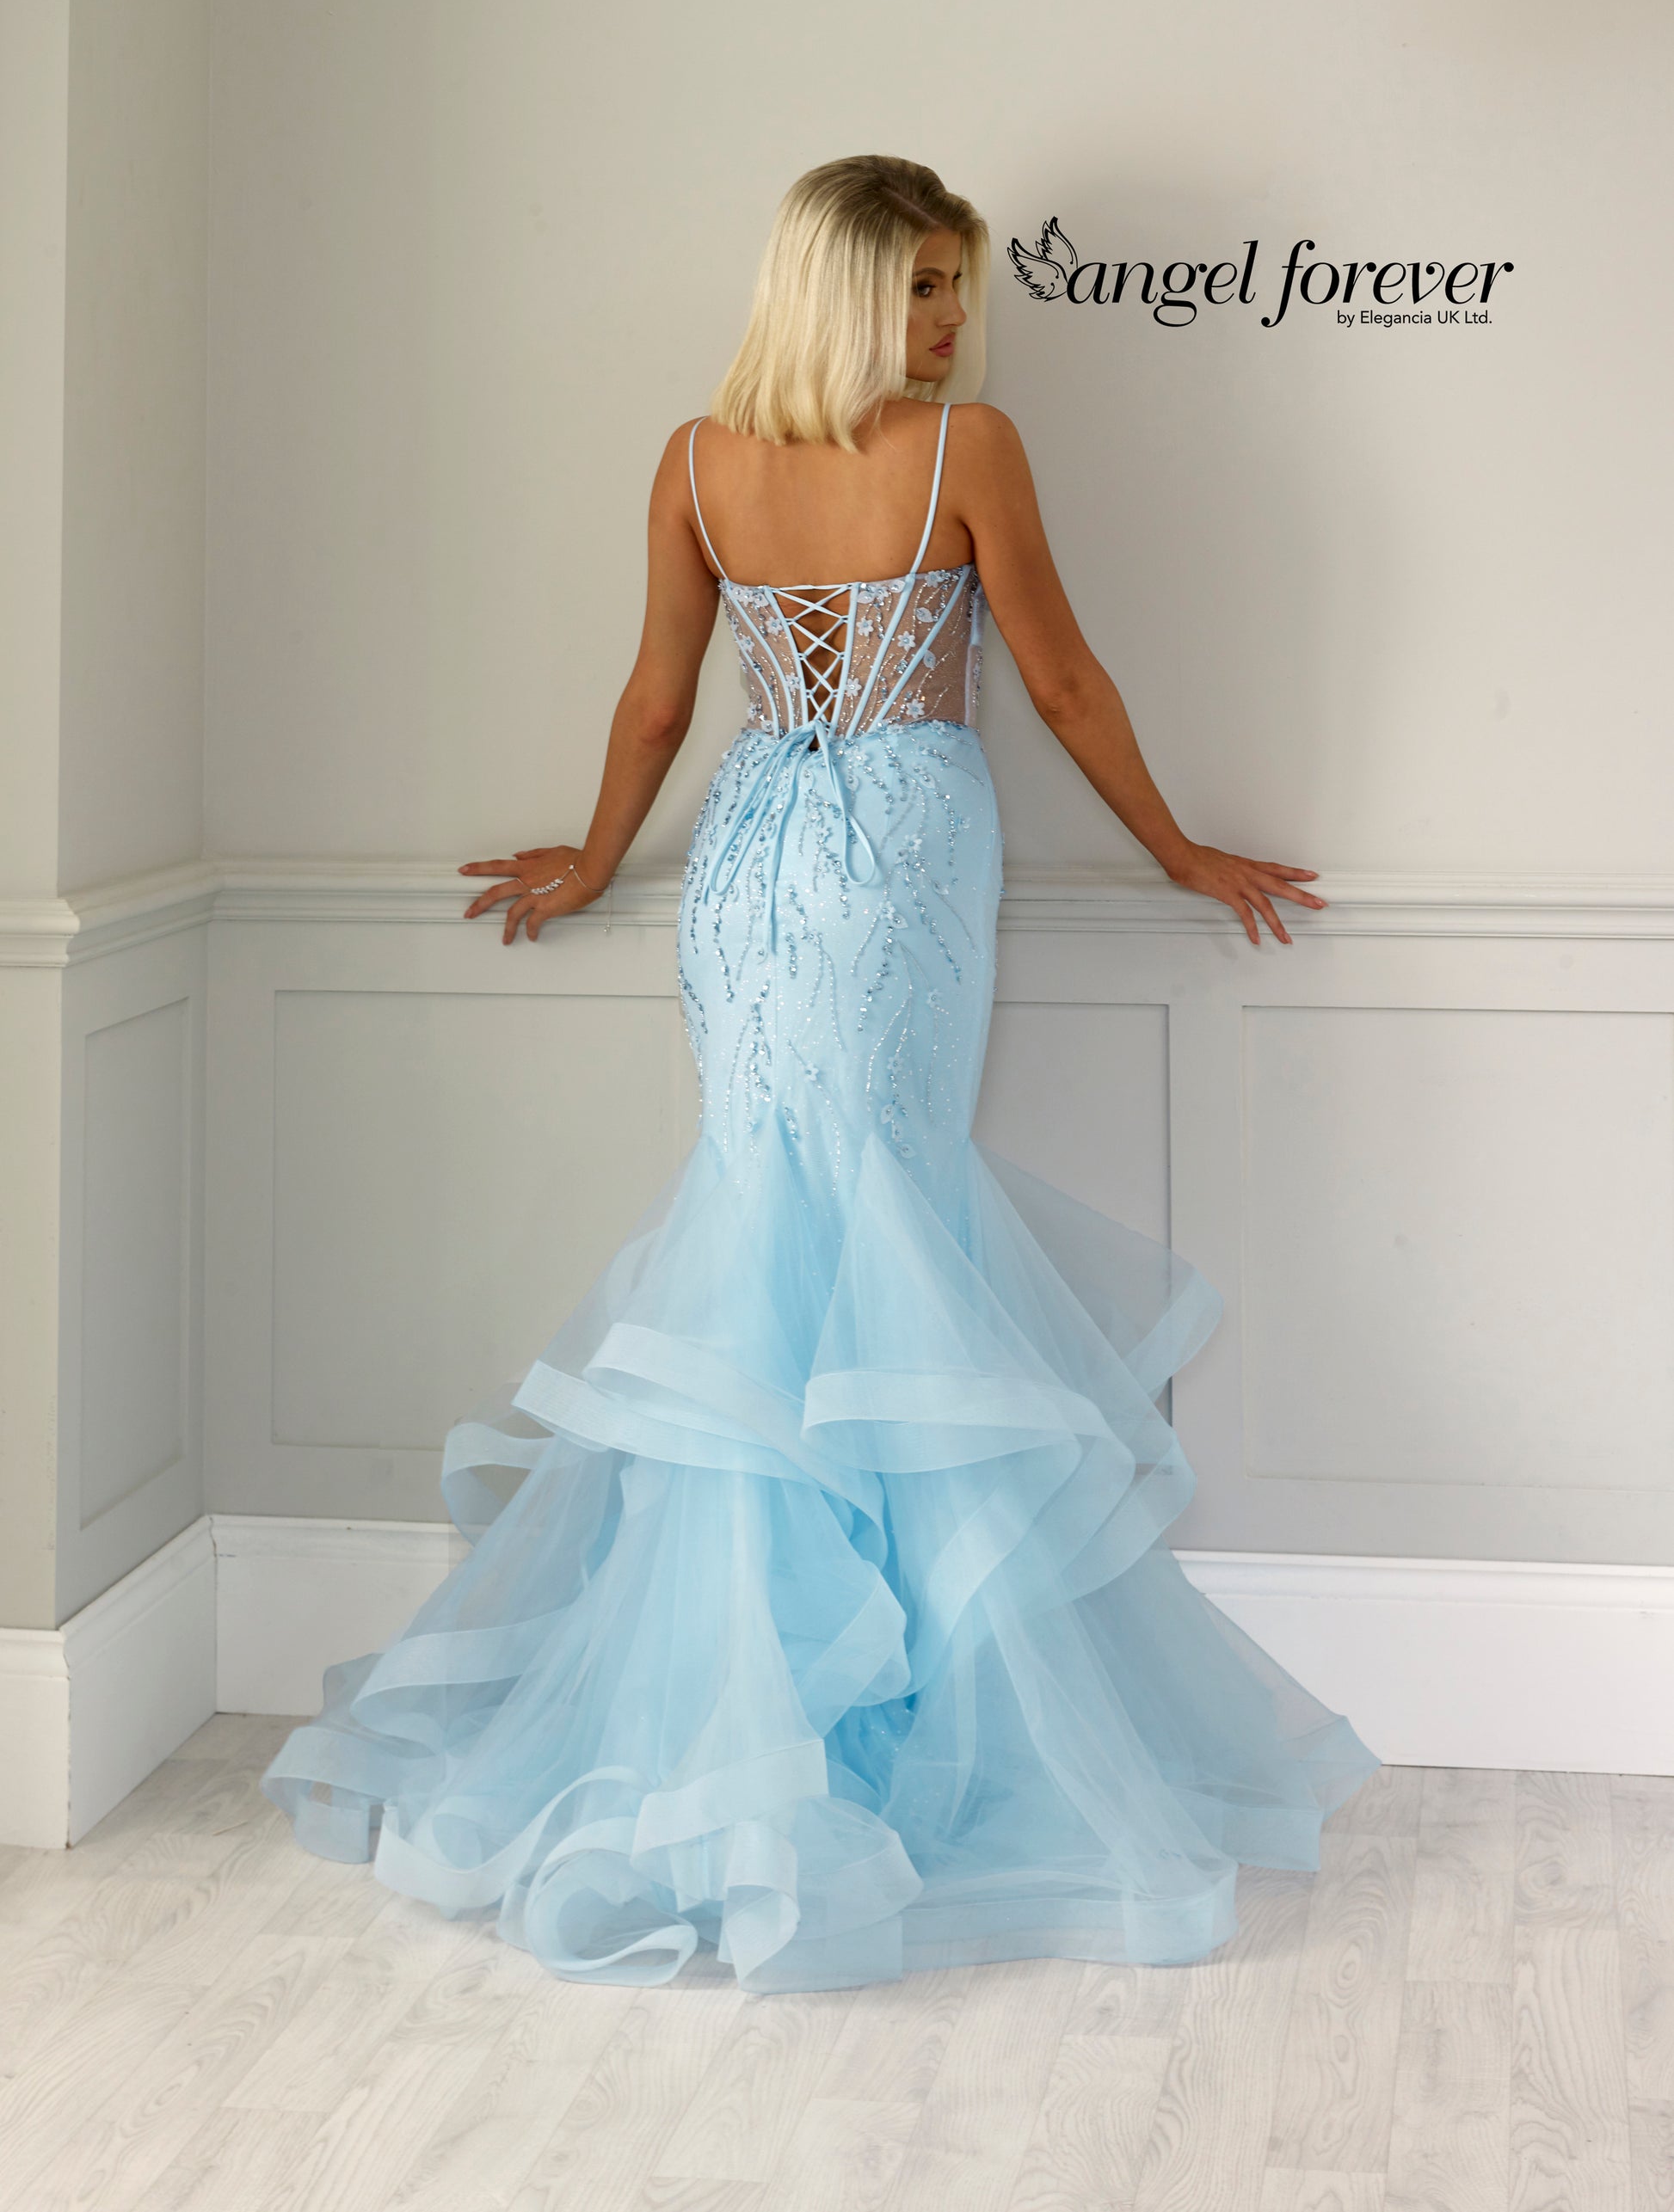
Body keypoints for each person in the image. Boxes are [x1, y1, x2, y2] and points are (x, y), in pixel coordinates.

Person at [262, 154, 1381, 1994]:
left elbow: (660, 703)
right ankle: (862, 1731)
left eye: (956, 289)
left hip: (752, 856)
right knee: (861, 1226)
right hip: (899, 854)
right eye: (919, 287)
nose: (948, 323)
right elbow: (1061, 684)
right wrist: (1178, 851)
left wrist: (603, 860)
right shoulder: (964, 452)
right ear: (839, 290)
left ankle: (765, 1718)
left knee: (787, 1216)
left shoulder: (699, 460)